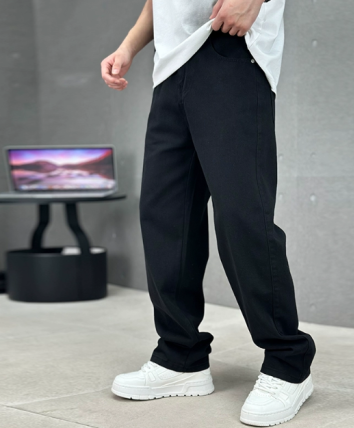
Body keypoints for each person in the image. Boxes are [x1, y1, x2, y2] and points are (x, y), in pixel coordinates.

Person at [101, 0, 316, 425]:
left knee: (242, 216)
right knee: (164, 217)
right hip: (169, 67)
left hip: (230, 49)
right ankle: (180, 356)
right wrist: (128, 46)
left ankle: (289, 363)